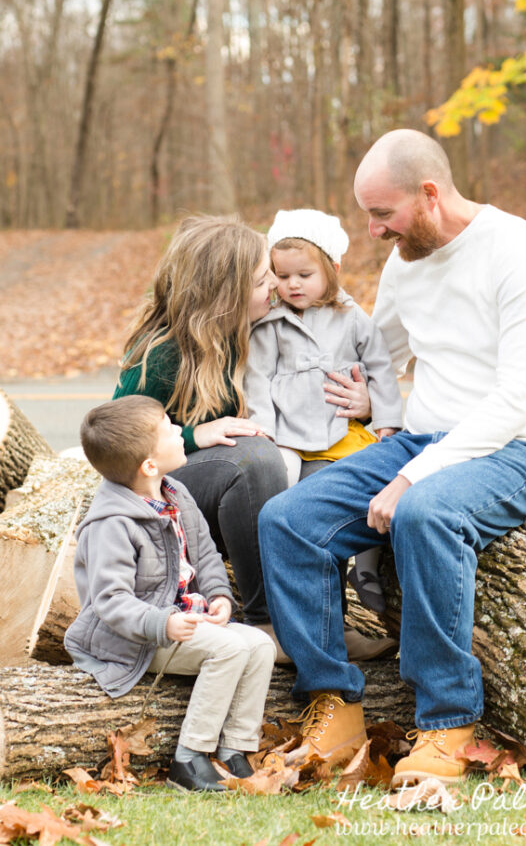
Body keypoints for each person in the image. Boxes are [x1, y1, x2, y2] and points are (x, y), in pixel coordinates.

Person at [258, 129, 526, 782]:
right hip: (422, 439)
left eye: (382, 214)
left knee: (425, 513)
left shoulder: (517, 252)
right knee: (287, 518)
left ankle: (447, 723)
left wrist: (413, 474)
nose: (372, 232)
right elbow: (379, 355)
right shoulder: (406, 262)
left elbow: (521, 393)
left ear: (430, 194)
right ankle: (335, 704)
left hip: (518, 446)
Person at [112, 213, 385, 663]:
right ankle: (267, 622)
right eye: (264, 280)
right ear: (226, 293)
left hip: (249, 494)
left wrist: (365, 403)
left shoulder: (265, 327)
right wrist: (192, 433)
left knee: (322, 476)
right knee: (257, 457)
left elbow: (321, 382)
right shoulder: (165, 353)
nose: (277, 287)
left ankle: (325, 624)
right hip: (178, 492)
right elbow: (117, 436)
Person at [65, 396, 276, 792]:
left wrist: (218, 595)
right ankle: (190, 757)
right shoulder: (111, 524)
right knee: (228, 649)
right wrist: (163, 622)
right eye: (169, 428)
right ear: (147, 464)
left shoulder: (173, 491)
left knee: (260, 645)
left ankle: (234, 749)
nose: (181, 431)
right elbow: (111, 602)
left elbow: (206, 553)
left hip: (182, 619)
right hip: (136, 636)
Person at [244, 208, 403, 613]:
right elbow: (258, 380)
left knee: (376, 480)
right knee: (284, 490)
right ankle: (281, 582)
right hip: (286, 433)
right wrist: (264, 429)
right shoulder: (270, 325)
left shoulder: (351, 318)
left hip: (338, 427)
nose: (292, 284)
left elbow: (381, 368)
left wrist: (386, 420)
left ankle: (365, 566)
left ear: (332, 268)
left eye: (304, 275)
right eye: (282, 276)